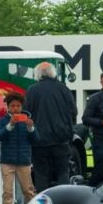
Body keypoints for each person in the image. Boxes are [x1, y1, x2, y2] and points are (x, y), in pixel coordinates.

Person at [24, 61, 77, 191]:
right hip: (61, 139)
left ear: (38, 74)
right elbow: (73, 111)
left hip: (39, 141)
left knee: (41, 175)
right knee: (63, 173)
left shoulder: (32, 90)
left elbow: (26, 114)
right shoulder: (64, 89)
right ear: (53, 73)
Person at [0, 92, 37, 204]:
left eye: (18, 106)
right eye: (12, 106)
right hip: (7, 160)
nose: (15, 109)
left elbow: (36, 140)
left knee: (28, 191)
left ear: (22, 106)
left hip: (24, 160)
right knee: (7, 191)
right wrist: (10, 125)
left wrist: (31, 128)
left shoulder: (27, 120)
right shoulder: (3, 120)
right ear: (8, 107)